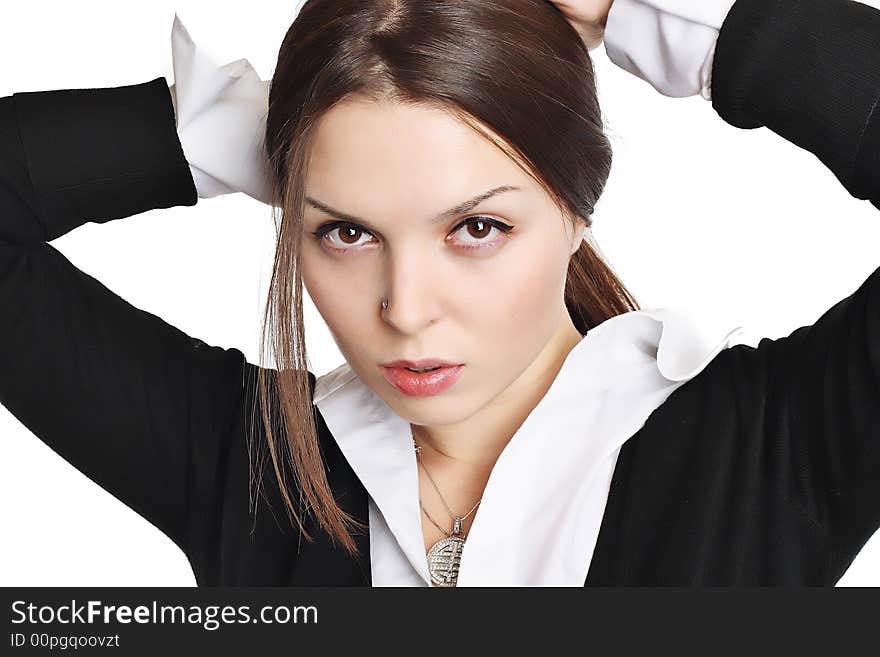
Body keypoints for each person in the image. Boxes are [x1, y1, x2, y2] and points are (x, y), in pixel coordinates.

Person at [1, 0, 878, 587]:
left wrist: (670, 17)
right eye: (345, 231)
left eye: (476, 228)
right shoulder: (249, 464)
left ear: (577, 208)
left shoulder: (773, 452)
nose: (406, 308)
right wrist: (230, 131)